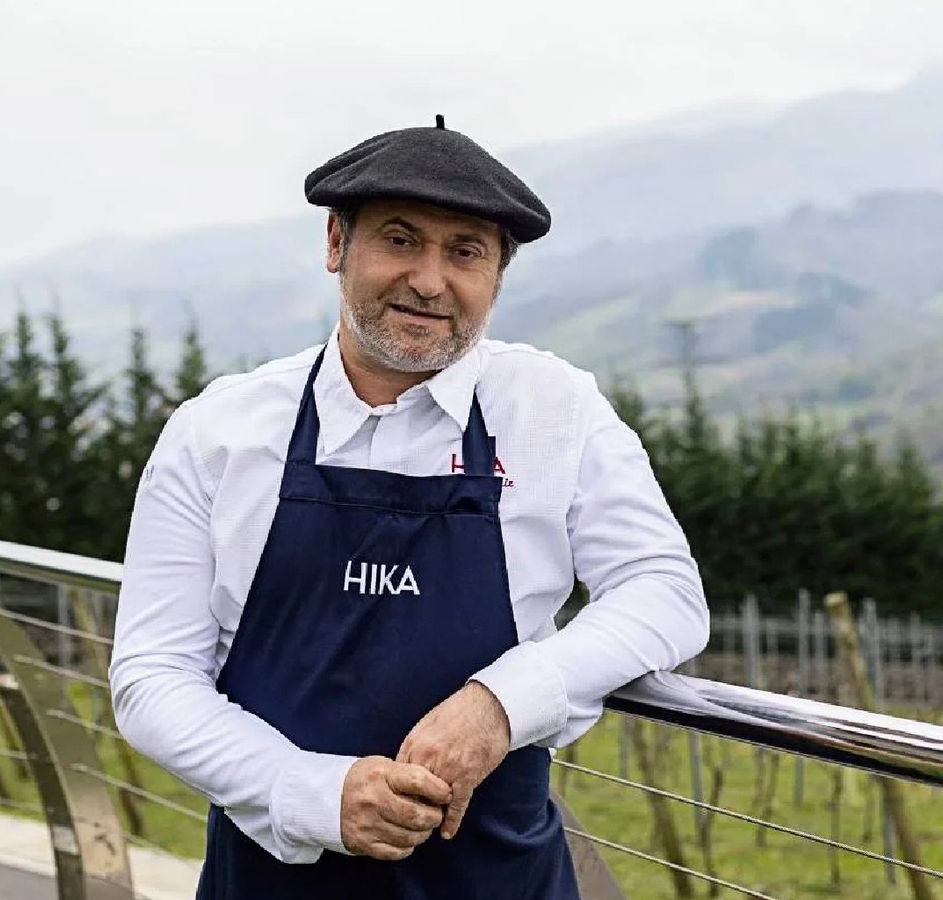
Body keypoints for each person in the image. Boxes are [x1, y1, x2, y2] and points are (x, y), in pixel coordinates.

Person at [109, 117, 709, 899]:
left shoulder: (553, 411)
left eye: (466, 252)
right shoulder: (218, 432)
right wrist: (310, 793)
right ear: (336, 244)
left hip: (498, 880)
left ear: (496, 275)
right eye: (400, 240)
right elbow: (152, 676)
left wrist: (501, 702)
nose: (430, 280)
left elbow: (665, 590)